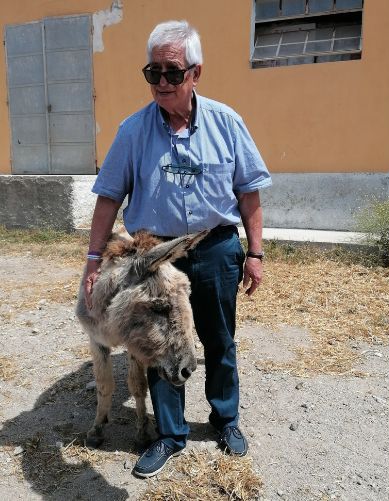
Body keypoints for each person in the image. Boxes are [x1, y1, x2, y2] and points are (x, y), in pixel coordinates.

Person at [83, 20, 272, 478]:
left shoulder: (227, 123)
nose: (162, 83)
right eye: (154, 73)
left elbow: (249, 193)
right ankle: (169, 434)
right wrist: (92, 261)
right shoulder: (132, 131)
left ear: (195, 73)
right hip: (152, 262)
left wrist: (255, 252)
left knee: (218, 340)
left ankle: (225, 420)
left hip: (215, 250)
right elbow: (108, 198)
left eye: (173, 72)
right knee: (156, 345)